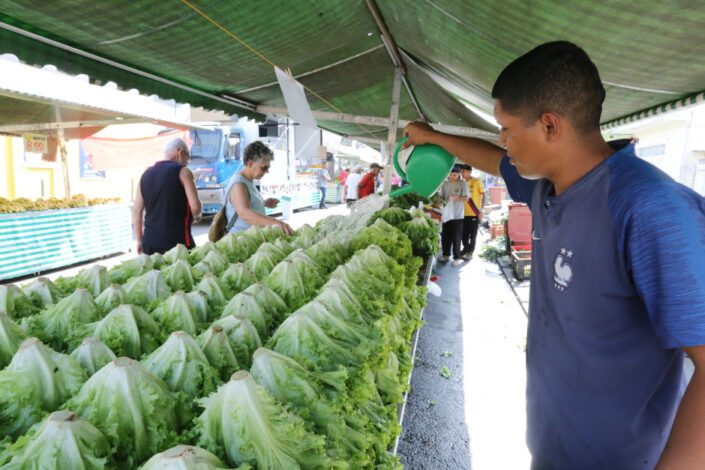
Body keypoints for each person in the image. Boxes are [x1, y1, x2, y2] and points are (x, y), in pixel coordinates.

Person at [403, 41, 705, 469]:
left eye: (506, 128)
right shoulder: (547, 184)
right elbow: (493, 160)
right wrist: (433, 137)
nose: (502, 140)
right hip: (552, 446)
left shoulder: (651, 209)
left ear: (549, 126)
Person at [133, 138, 201, 255]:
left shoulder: (145, 174)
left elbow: (137, 210)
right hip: (177, 244)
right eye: (187, 156)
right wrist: (197, 215)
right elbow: (195, 207)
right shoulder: (183, 172)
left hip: (150, 243)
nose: (187, 161)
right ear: (180, 152)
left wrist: (139, 240)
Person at [225, 141, 293, 235]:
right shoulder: (239, 185)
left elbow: (246, 203)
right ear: (250, 163)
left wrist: (263, 203)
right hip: (241, 241)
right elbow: (245, 214)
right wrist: (276, 222)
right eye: (264, 168)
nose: (267, 171)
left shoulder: (248, 181)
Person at [438, 165, 469, 267]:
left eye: (454, 175)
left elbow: (466, 198)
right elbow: (441, 198)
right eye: (450, 175)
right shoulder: (445, 184)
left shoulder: (462, 184)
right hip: (447, 214)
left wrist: (457, 197)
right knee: (445, 236)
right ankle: (446, 255)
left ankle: (457, 257)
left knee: (456, 237)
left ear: (459, 174)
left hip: (458, 215)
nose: (452, 177)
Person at [460, 164, 485, 260]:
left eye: (464, 171)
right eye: (461, 171)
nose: (462, 173)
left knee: (472, 235)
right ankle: (466, 248)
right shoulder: (461, 183)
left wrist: (482, 210)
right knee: (463, 234)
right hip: (462, 213)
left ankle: (470, 252)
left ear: (470, 171)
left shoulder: (477, 182)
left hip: (474, 213)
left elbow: (484, 196)